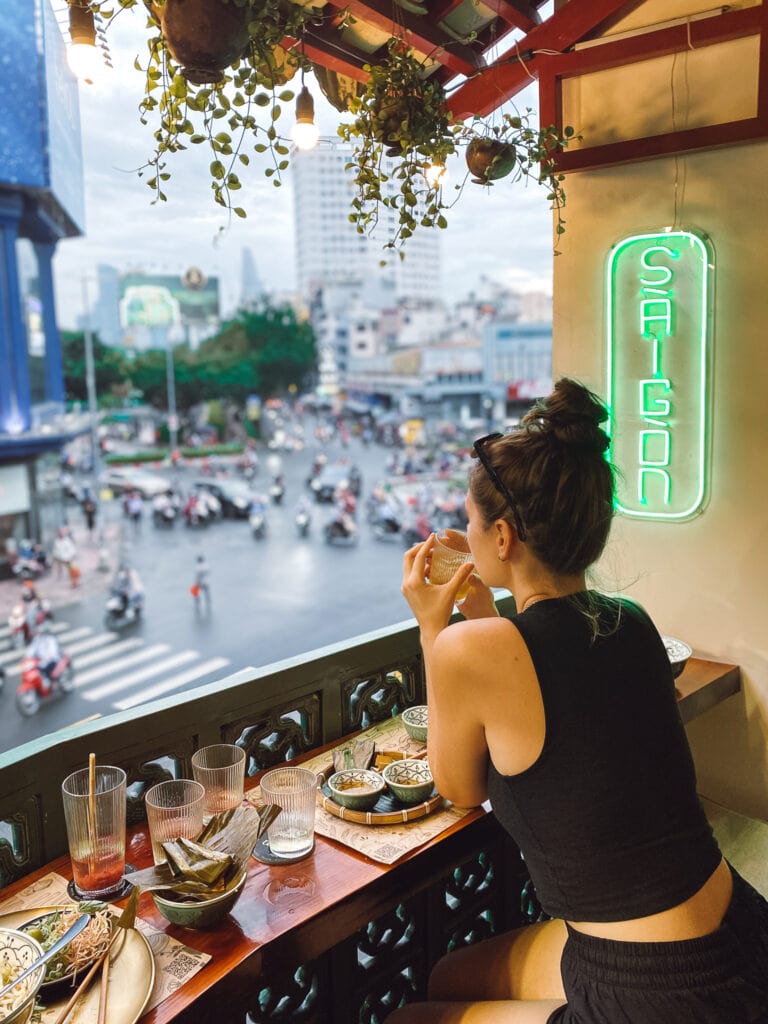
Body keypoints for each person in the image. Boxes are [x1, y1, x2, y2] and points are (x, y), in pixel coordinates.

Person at [393, 378, 768, 1024]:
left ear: (503, 538)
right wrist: (481, 607)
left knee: (407, 1017)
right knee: (448, 974)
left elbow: (456, 785)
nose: (464, 531)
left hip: (656, 999)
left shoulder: (471, 652)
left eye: (472, 520)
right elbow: (551, 665)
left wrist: (433, 626)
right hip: (739, 933)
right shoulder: (632, 621)